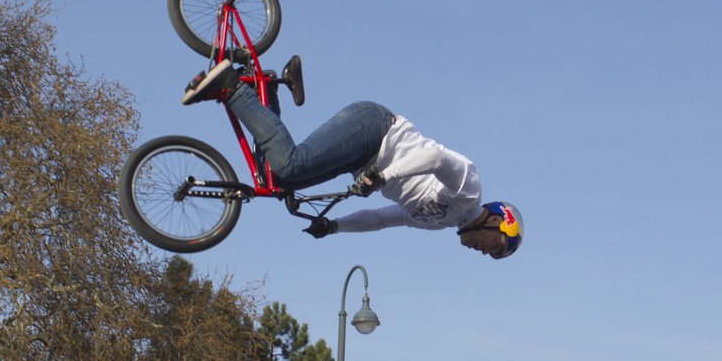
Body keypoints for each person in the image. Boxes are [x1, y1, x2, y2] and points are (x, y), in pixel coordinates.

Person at [182, 59, 524, 259]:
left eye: (491, 254)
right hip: (376, 129)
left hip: (361, 160)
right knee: (291, 165)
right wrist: (384, 177)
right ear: (496, 220)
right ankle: (231, 85)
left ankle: (265, 88)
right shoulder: (469, 191)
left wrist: (335, 227)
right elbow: (434, 157)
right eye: (494, 246)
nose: (484, 252)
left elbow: (379, 219)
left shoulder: (437, 222)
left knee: (277, 180)